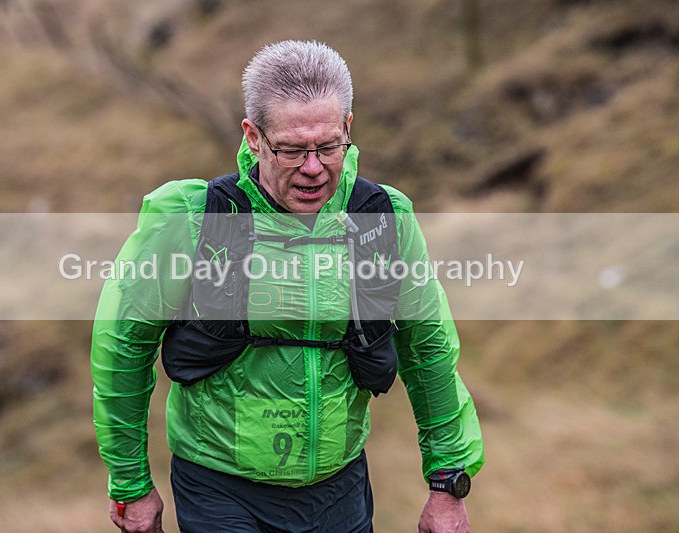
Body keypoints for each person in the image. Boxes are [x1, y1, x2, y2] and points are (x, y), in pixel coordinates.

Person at [91, 40, 484, 533]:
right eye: (292, 149)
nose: (314, 167)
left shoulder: (382, 219)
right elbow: (122, 348)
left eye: (328, 146)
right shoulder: (192, 218)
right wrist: (130, 482)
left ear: (348, 128)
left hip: (340, 491)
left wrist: (448, 482)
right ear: (254, 138)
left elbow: (429, 351)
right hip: (218, 489)